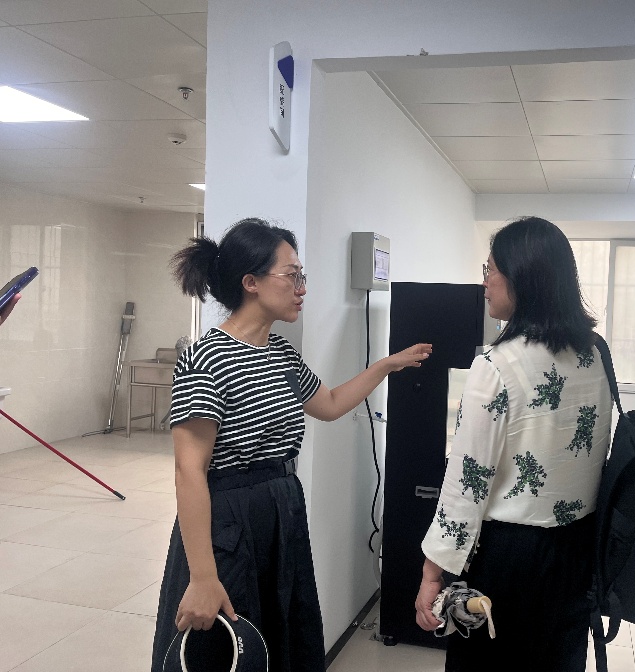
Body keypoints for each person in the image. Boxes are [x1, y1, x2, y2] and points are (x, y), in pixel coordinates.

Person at [150, 217, 431, 672]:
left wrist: (385, 365)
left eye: (303, 276)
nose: (302, 288)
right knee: (228, 644)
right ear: (251, 282)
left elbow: (330, 403)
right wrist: (202, 576)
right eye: (292, 275)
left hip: (281, 509)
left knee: (281, 636)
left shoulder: (280, 353)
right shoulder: (206, 357)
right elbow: (189, 470)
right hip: (230, 518)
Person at [414, 216, 612, 671]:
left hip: (509, 558)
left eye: (490, 270)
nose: (484, 282)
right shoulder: (594, 353)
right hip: (577, 549)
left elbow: (467, 483)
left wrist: (432, 572)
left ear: (522, 278)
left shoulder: (497, 365)